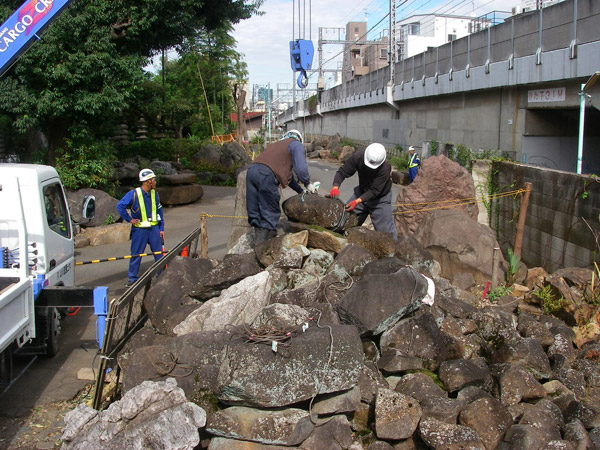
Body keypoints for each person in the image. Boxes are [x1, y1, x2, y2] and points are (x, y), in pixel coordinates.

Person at [246, 129, 316, 244]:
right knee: (269, 209)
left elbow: (289, 177)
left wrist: (300, 190)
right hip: (266, 175)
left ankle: (258, 238)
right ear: (298, 139)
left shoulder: (277, 145)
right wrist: (307, 183)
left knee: (254, 209)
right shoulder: (296, 144)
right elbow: (301, 169)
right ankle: (263, 247)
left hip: (251, 171)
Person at [328, 143, 397, 241]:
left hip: (380, 199)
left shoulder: (385, 167)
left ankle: (394, 254)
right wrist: (335, 186)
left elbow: (374, 191)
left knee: (387, 235)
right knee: (343, 221)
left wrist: (356, 201)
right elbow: (342, 172)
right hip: (361, 192)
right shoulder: (358, 157)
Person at [116, 169, 165, 286]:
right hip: (139, 230)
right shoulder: (134, 194)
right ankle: (132, 279)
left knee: (159, 254)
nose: (155, 182)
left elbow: (159, 212)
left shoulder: (155, 194)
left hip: (154, 229)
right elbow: (120, 206)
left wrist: (161, 228)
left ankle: (161, 276)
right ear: (148, 181)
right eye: (154, 180)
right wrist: (129, 219)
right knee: (136, 254)